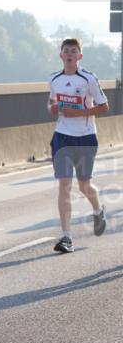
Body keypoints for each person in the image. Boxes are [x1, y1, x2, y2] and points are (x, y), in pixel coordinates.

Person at [47, 38, 109, 254]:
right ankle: (67, 237)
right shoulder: (54, 79)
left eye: (74, 51)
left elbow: (104, 106)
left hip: (85, 138)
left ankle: (98, 209)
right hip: (62, 137)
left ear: (80, 56)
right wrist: (53, 107)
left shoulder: (88, 78)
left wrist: (81, 113)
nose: (70, 54)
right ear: (61, 56)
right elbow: (51, 102)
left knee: (84, 186)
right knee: (65, 185)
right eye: (66, 51)